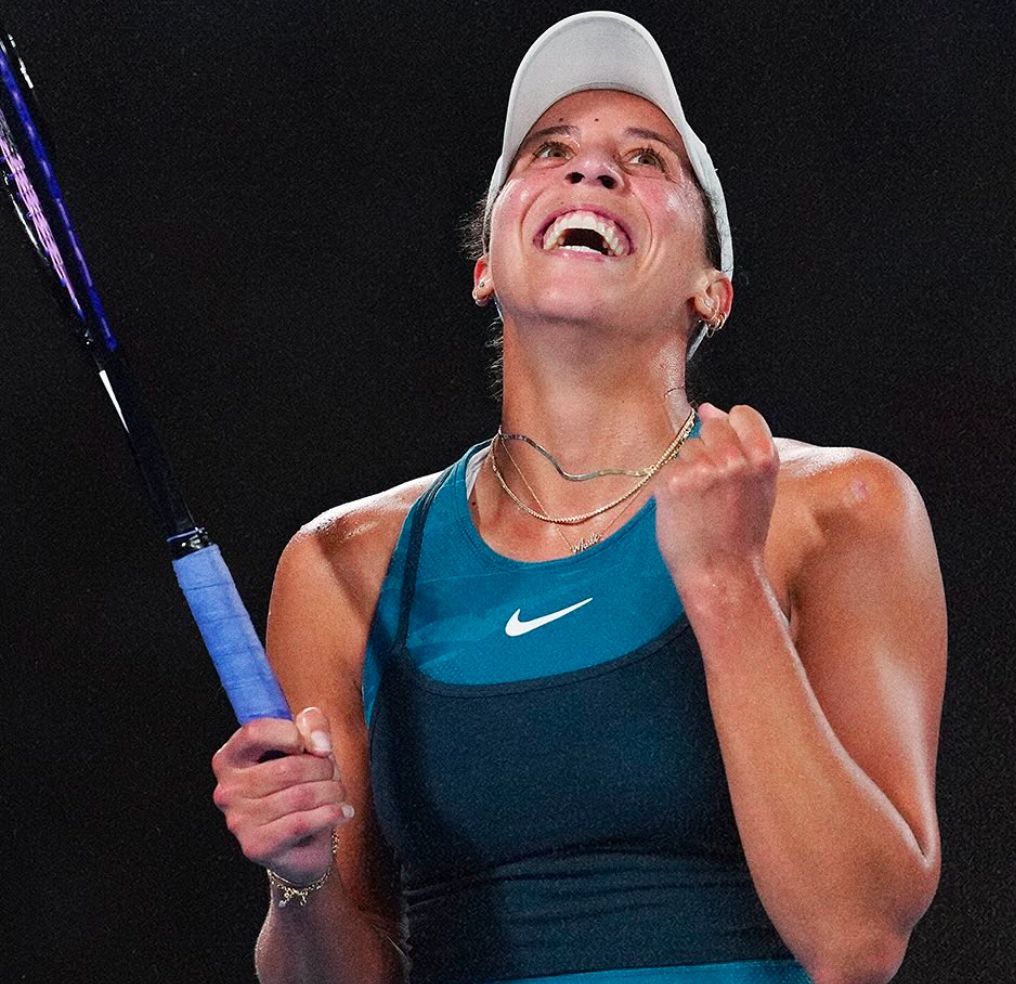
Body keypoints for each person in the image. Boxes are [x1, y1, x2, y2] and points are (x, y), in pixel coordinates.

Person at [211, 12, 946, 984]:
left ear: (711, 289)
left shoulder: (842, 509)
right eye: (549, 152)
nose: (591, 170)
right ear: (485, 265)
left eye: (645, 159)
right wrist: (296, 881)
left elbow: (857, 940)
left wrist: (726, 583)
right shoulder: (341, 566)